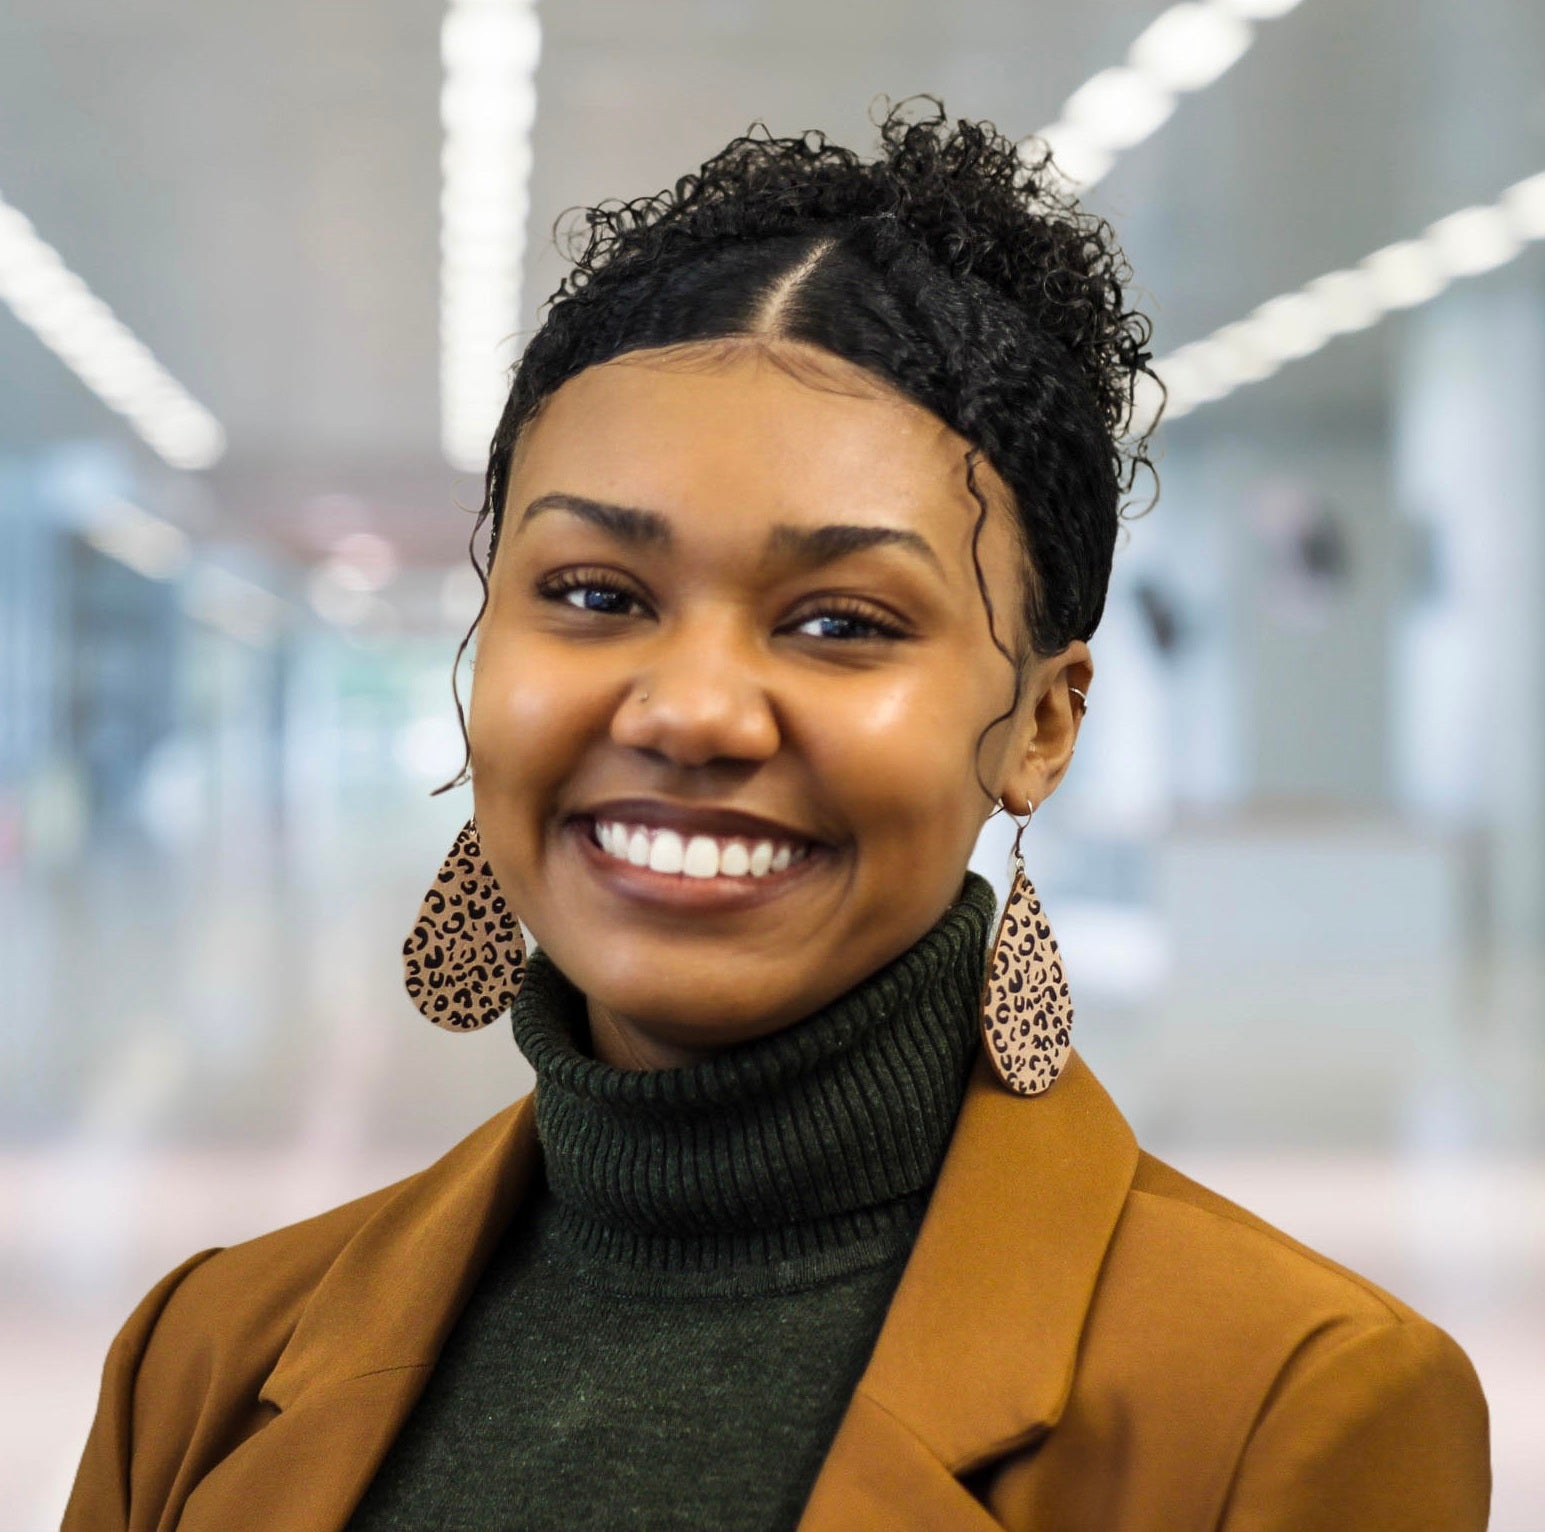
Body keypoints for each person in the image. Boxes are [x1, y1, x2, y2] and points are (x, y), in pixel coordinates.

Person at [64, 98, 1489, 1531]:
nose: (690, 713)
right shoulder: (205, 1359)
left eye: (840, 622)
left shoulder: (1285, 1406)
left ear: (1042, 727)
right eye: (594, 594)